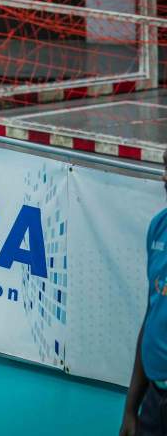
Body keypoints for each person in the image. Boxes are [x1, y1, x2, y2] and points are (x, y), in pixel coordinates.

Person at [120, 149, 167, 435]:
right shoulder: (159, 227)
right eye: (165, 166)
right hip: (153, 400)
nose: (164, 176)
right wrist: (130, 407)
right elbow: (151, 315)